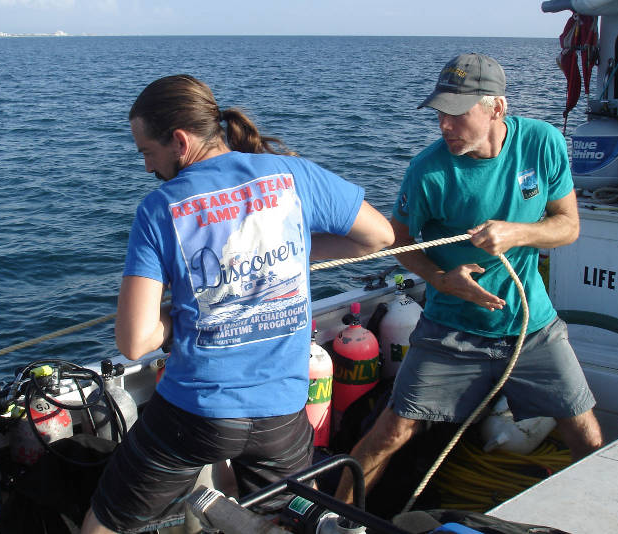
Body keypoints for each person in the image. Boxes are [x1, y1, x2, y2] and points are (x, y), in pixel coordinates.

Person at [81, 74, 396, 534]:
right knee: (286, 524)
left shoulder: (158, 209)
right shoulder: (293, 175)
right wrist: (287, 252)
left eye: (147, 152)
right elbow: (379, 236)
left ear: (180, 141)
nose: (147, 167)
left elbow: (134, 342)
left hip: (194, 412)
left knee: (104, 524)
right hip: (282, 414)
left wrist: (179, 315)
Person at [335, 53, 604, 504]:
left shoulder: (542, 143)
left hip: (530, 327)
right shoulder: (427, 171)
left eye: (457, 114)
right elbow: (398, 242)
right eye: (440, 112)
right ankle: (333, 521)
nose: (444, 125)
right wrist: (441, 279)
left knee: (586, 434)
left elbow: (568, 225)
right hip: (450, 330)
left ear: (497, 108)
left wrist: (519, 232)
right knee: (391, 431)